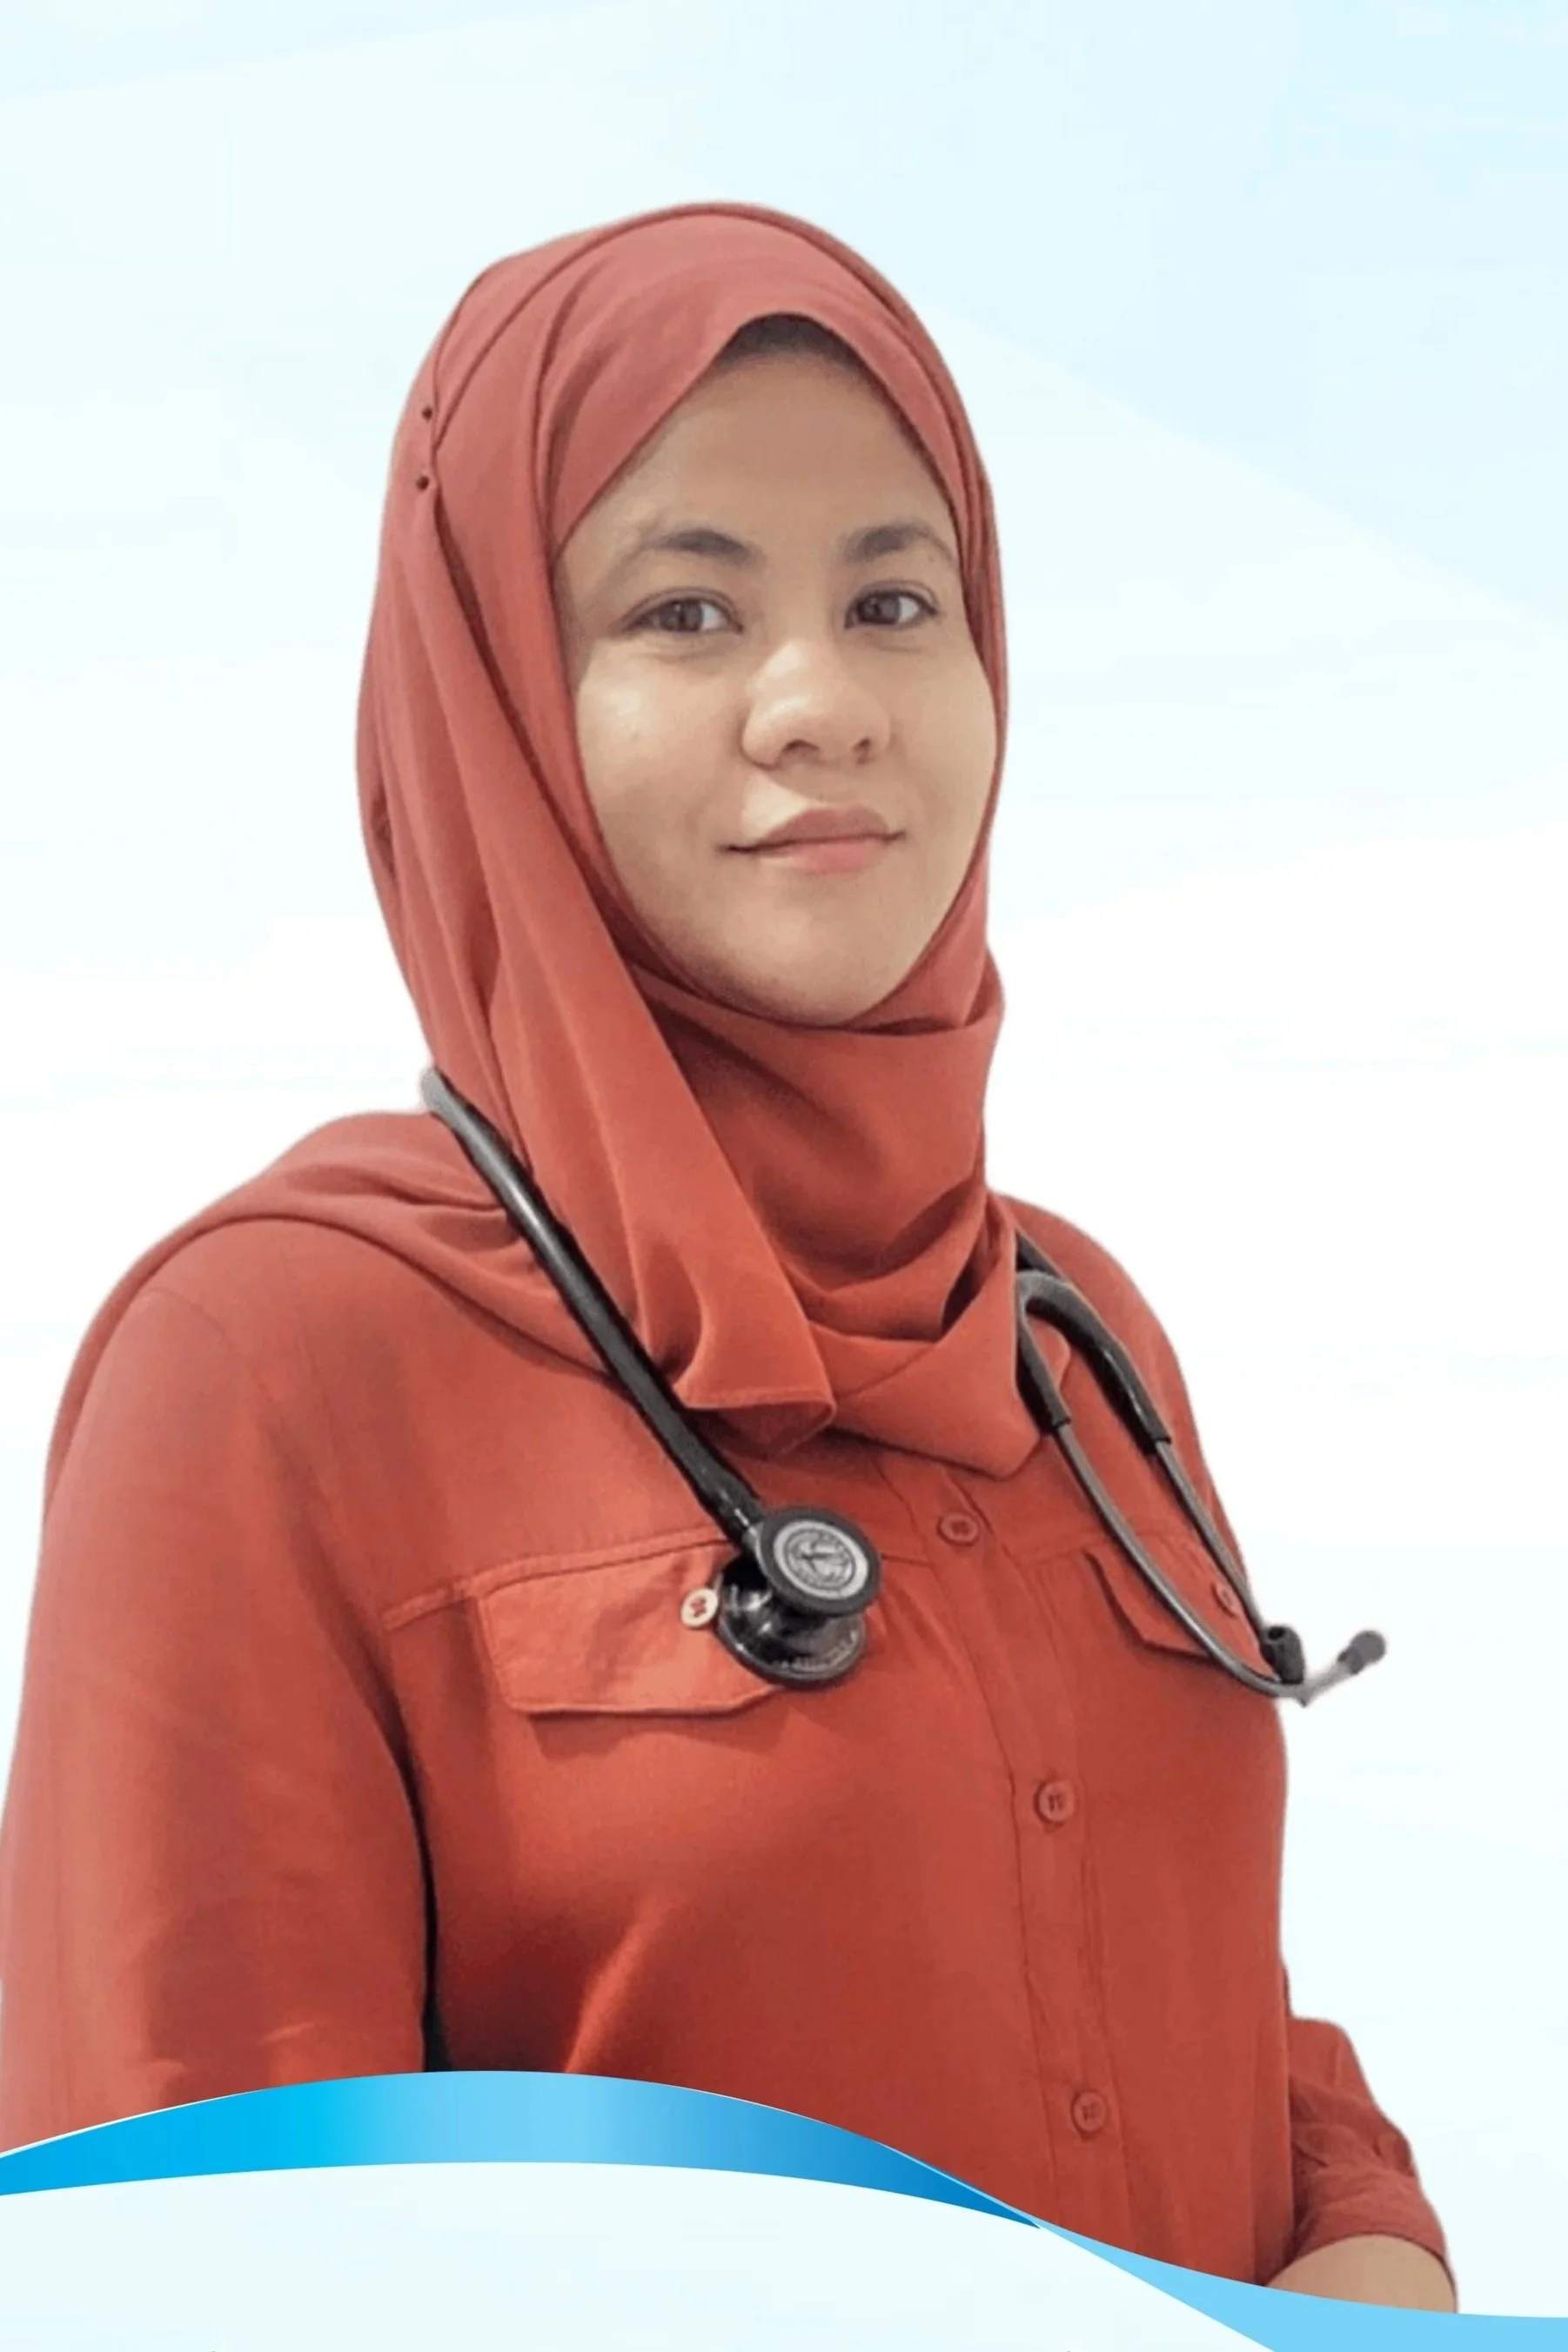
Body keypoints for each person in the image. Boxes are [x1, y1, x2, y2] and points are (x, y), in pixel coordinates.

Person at [0, 203, 1453, 2309]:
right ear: (494, 689)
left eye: (892, 594)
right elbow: (192, 2267)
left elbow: (1203, 1985)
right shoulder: (270, 1367)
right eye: (685, 611)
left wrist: (1361, 2226)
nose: (819, 702)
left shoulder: (1071, 1334)